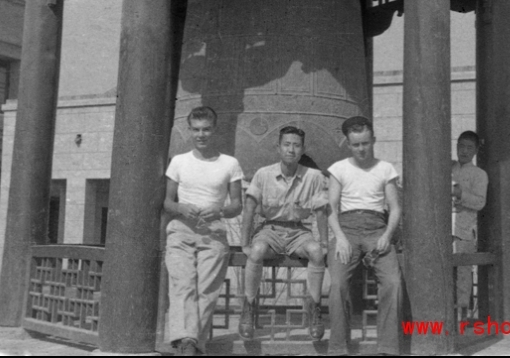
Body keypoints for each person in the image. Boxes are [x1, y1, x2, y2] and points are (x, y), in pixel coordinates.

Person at [164, 106, 244, 356]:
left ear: (214, 130)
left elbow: (236, 205)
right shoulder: (178, 161)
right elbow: (167, 202)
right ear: (190, 131)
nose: (201, 134)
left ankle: (188, 344)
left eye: (206, 129)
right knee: (182, 286)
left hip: (214, 232)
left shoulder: (230, 164)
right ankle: (190, 344)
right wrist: (180, 207)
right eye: (196, 129)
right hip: (181, 230)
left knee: (206, 291)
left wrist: (219, 212)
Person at [239, 126, 328, 341]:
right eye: (286, 144)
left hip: (297, 231)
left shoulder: (313, 177)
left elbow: (320, 212)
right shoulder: (263, 174)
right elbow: (249, 207)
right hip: (270, 229)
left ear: (302, 149)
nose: (291, 150)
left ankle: (315, 310)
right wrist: (244, 242)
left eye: (296, 145)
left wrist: (324, 242)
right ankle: (248, 309)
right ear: (278, 147)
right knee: (257, 251)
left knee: (316, 252)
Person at [327, 116, 402, 356]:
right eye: (356, 144)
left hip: (376, 228)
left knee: (392, 282)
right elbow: (330, 208)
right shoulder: (338, 169)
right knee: (338, 284)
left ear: (374, 141)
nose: (361, 148)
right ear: (348, 144)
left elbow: (395, 207)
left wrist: (387, 235)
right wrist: (339, 237)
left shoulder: (385, 169)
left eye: (366, 143)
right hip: (345, 229)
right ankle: (338, 348)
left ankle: (388, 348)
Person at [451, 130, 488, 320]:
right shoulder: (448, 167)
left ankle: (461, 319)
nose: (464, 151)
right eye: (461, 146)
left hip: (464, 231)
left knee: (463, 274)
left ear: (475, 151)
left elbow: (480, 202)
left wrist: (460, 195)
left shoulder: (479, 174)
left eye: (469, 148)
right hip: (444, 229)